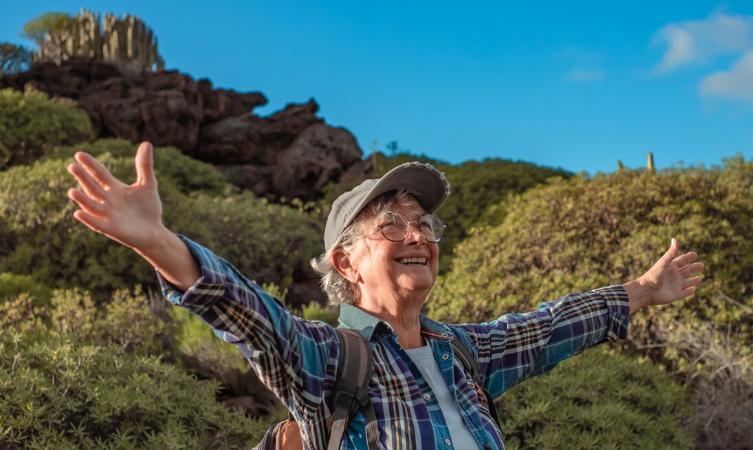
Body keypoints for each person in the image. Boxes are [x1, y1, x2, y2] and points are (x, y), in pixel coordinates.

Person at [66, 142, 704, 450]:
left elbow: (550, 326)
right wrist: (158, 242)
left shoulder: (464, 351)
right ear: (345, 260)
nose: (416, 234)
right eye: (391, 224)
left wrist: (643, 291)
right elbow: (251, 318)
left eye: (424, 224)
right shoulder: (325, 358)